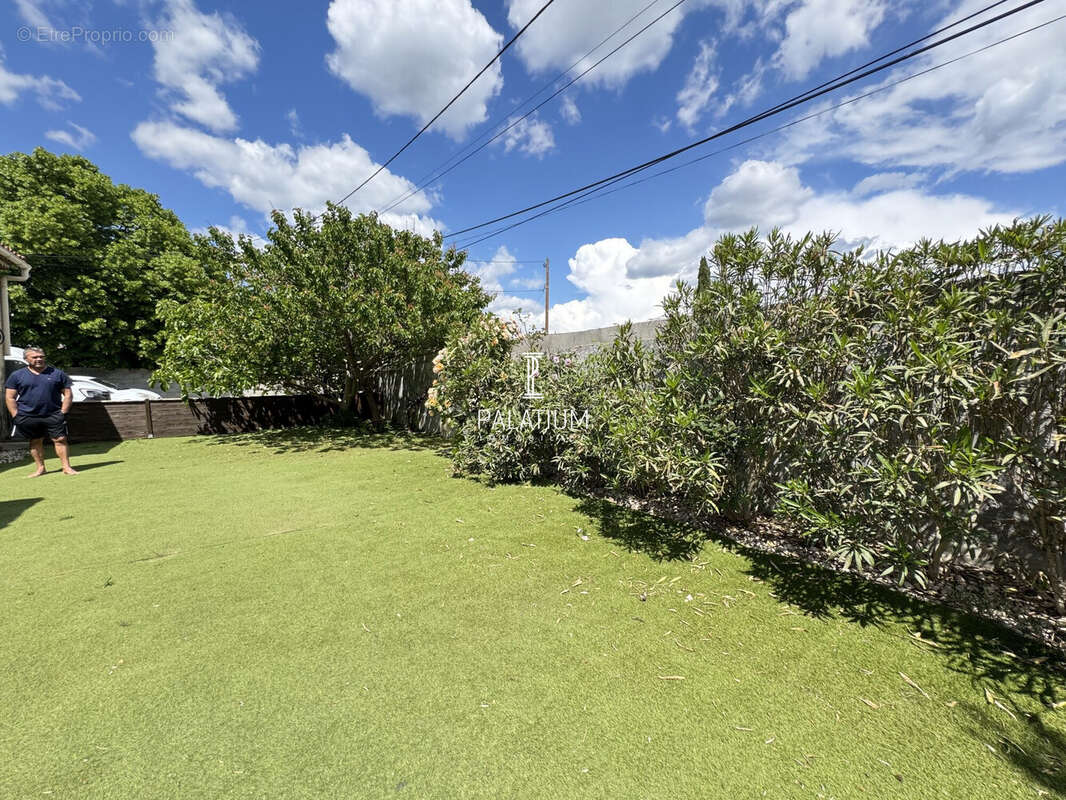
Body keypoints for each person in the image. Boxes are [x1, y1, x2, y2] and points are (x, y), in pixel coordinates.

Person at [4, 345, 78, 476]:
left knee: (60, 439)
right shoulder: (17, 375)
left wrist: (63, 412)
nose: (39, 359)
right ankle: (40, 468)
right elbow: (10, 397)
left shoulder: (57, 374)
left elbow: (68, 394)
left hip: (53, 414)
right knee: (35, 440)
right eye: (35, 357)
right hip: (28, 415)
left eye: (41, 357)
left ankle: (66, 467)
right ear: (26, 359)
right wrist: (15, 415)